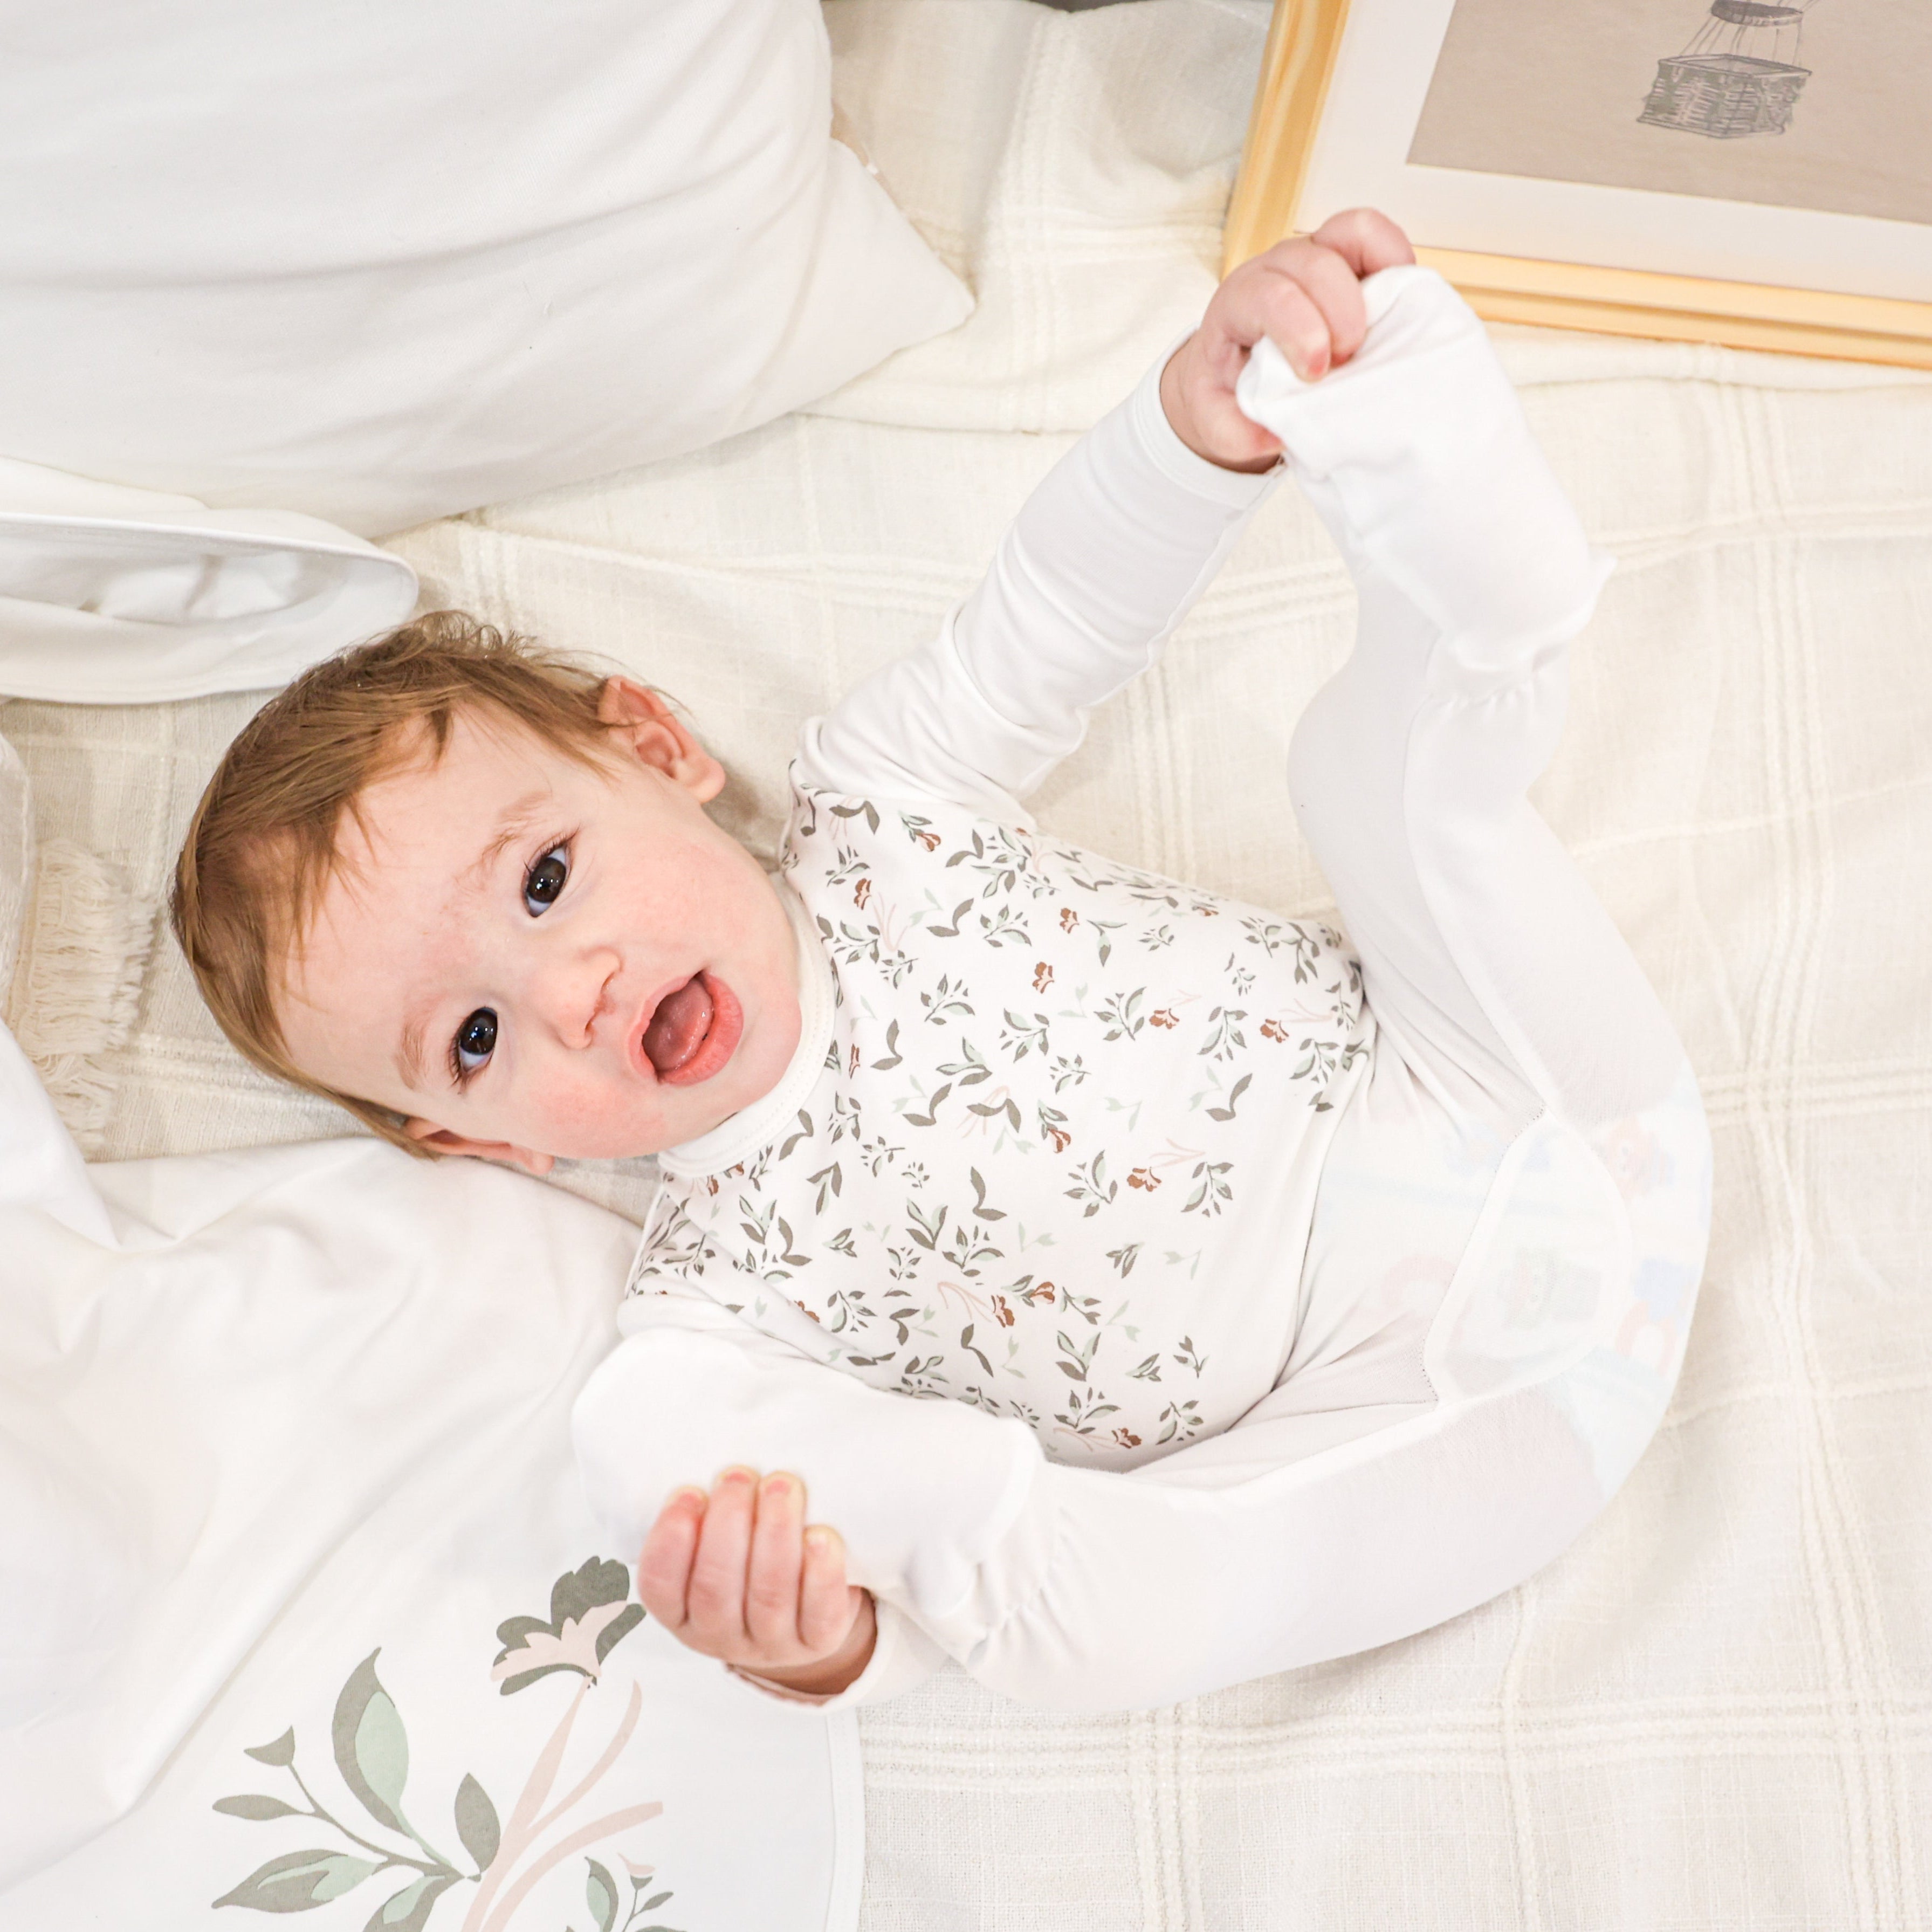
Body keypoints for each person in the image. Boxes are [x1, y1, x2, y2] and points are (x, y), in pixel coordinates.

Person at [171, 211, 1710, 1711]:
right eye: (476, 1040)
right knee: (663, 1448)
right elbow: (813, 1510)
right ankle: (1015, 1562)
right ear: (471, 1139)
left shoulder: (883, 798)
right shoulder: (724, 1308)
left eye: (547, 881)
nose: (568, 991)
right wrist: (814, 1637)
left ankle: (1454, 538)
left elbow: (1054, 613)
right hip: (1423, 1426)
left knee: (1383, 789)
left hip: (1527, 1089)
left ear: (655, 747)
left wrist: (1194, 431)